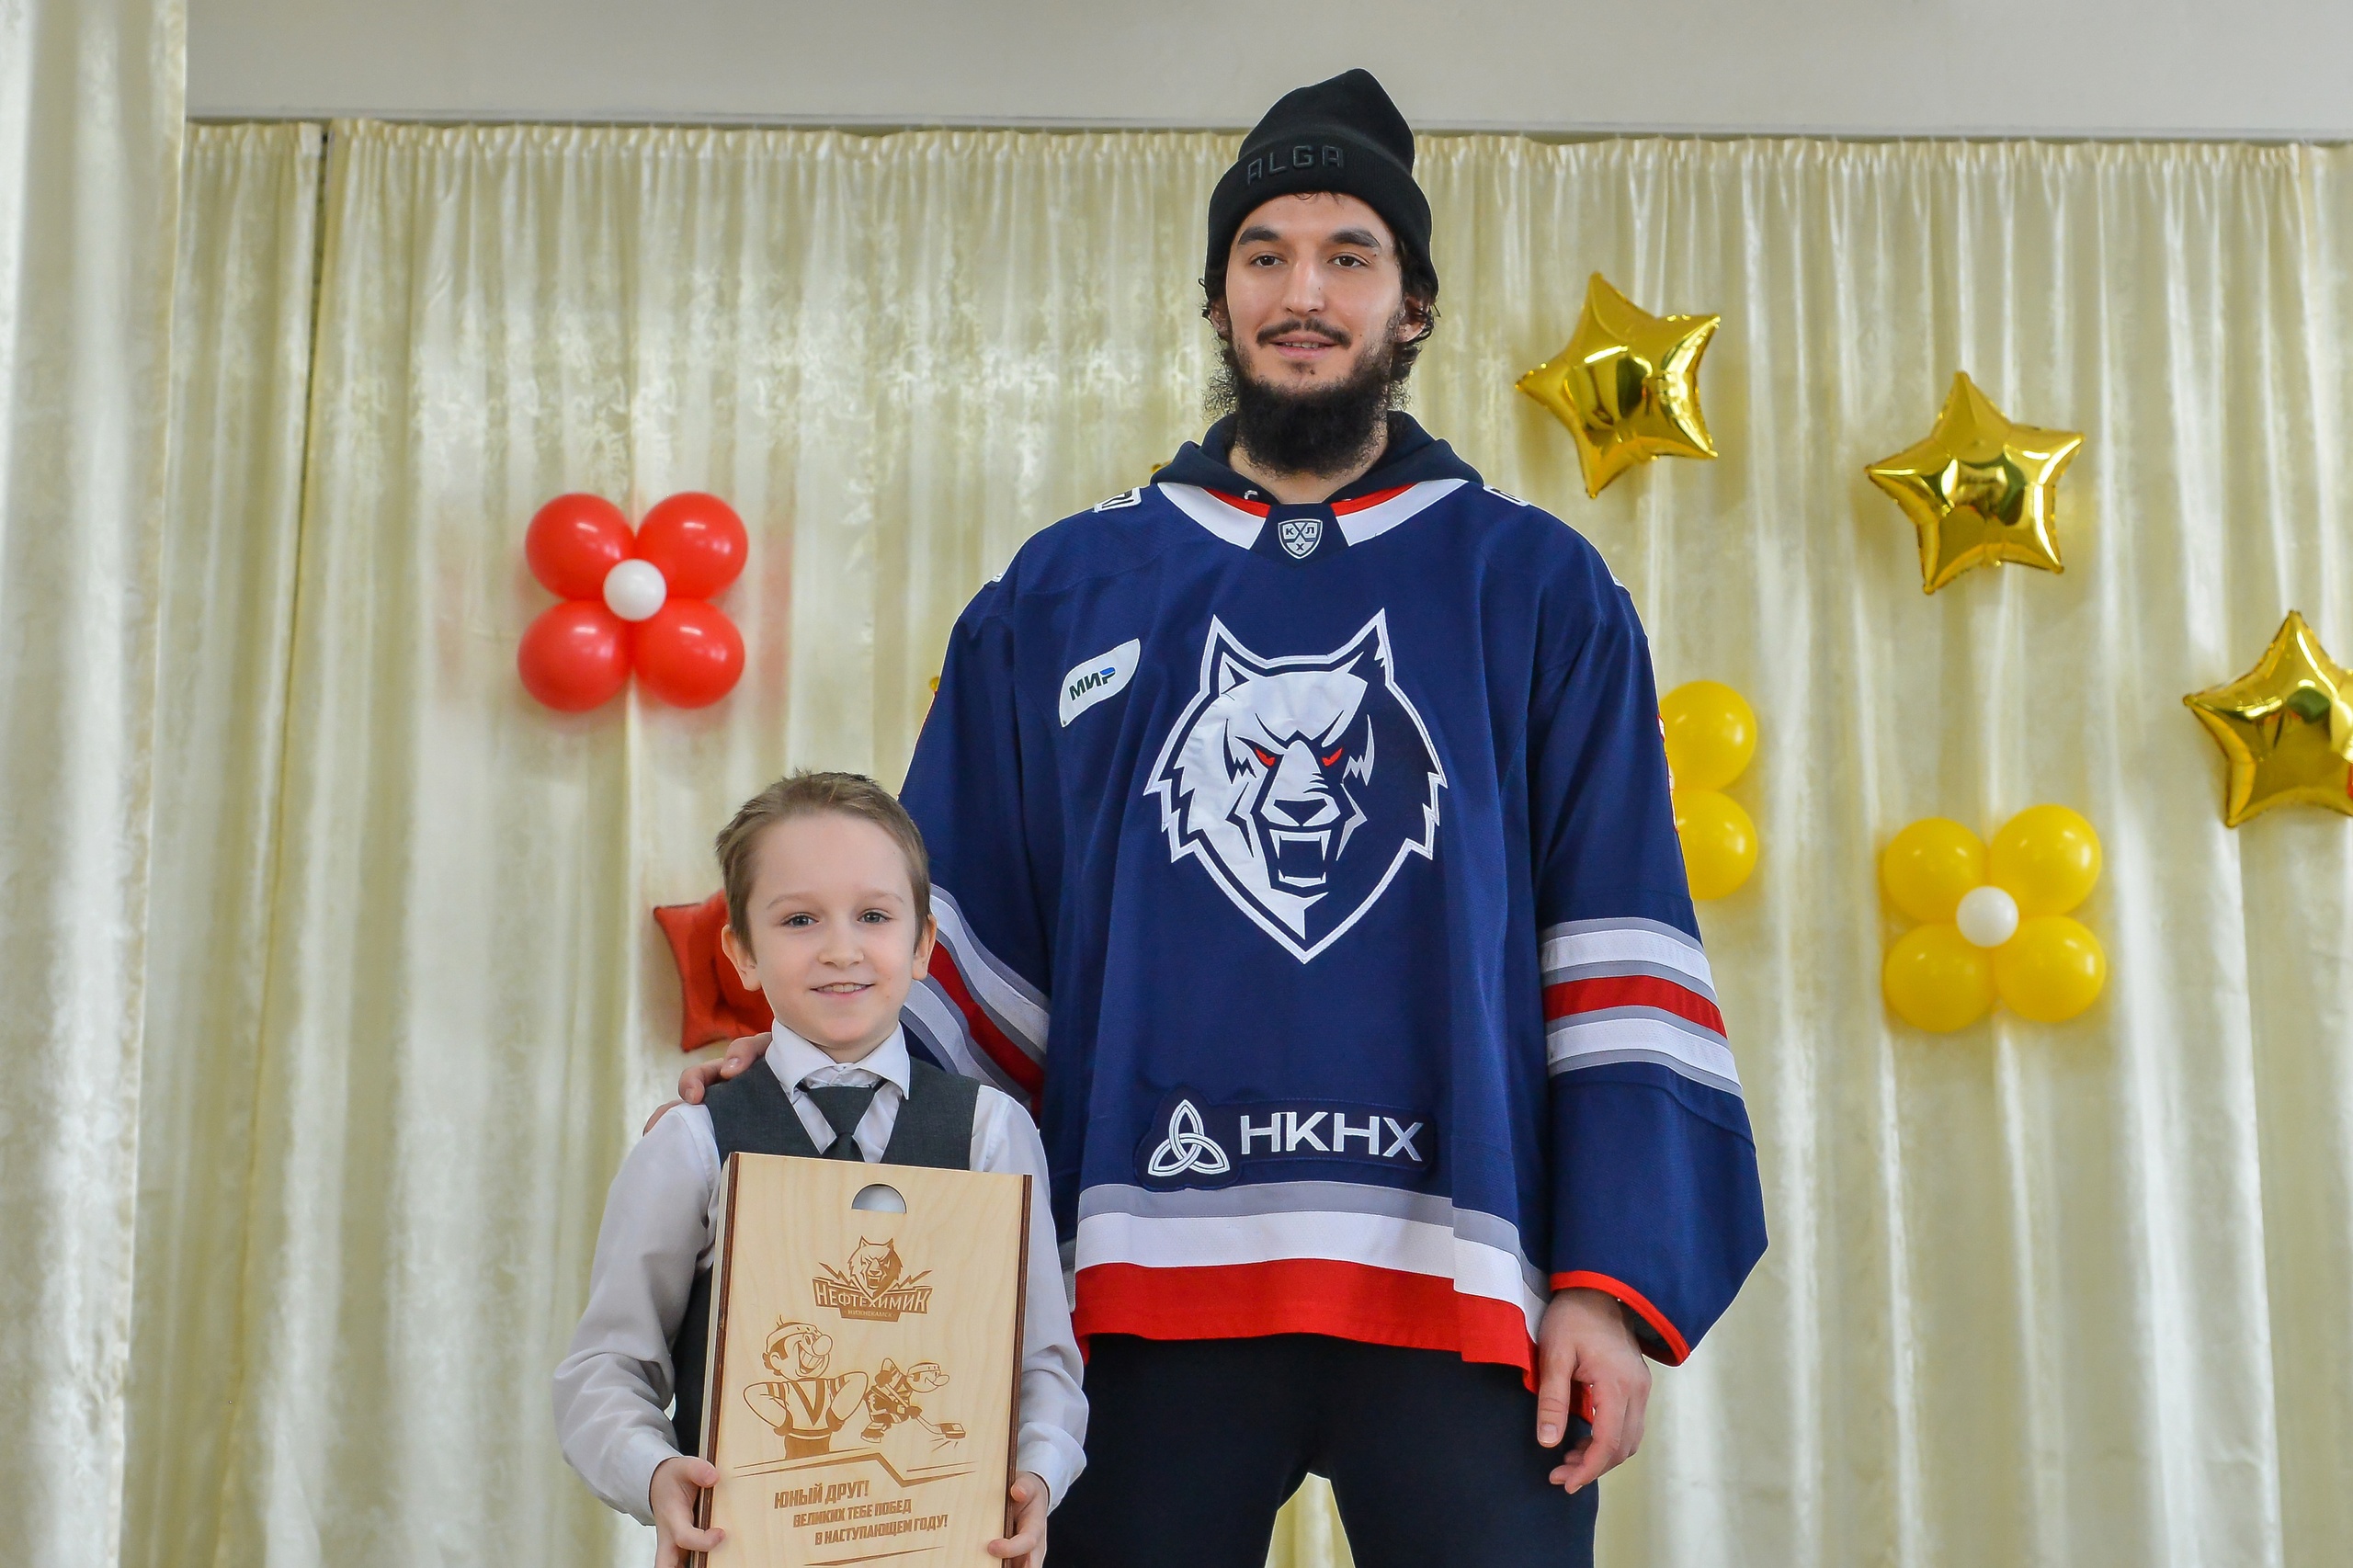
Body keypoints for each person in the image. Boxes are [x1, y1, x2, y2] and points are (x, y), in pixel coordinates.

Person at [677, 69, 1767, 1568]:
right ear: (1217, 300)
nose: (1302, 292)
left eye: (1347, 256)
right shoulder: (1066, 591)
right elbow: (964, 939)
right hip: (1127, 1295)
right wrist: (814, 1075)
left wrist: (1607, 1280)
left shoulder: (1532, 585)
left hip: (1466, 1289)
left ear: (1412, 306)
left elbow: (1614, 932)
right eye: (1265, 255)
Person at [554, 772, 1085, 1568]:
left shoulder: (992, 1134)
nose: (841, 949)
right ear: (742, 951)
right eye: (800, 919)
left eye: (874, 916)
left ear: (923, 945)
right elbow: (605, 1367)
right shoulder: (692, 1142)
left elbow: (1041, 1363)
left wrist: (1038, 1476)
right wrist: (654, 1473)